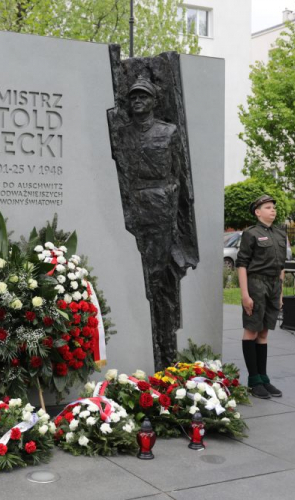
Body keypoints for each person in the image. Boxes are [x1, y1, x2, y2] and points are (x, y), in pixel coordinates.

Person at [109, 75, 198, 371]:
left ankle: (166, 350)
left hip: (162, 209)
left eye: (143, 97)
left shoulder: (169, 131)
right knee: (143, 278)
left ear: (154, 101)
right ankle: (153, 350)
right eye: (133, 97)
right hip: (135, 208)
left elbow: (180, 175)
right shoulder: (121, 133)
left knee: (159, 282)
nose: (137, 101)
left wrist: (174, 214)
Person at [236, 195, 287, 399]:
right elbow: (241, 264)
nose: (272, 210)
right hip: (256, 284)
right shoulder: (251, 234)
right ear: (258, 212)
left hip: (274, 285)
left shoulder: (280, 233)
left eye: (274, 207)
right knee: (251, 331)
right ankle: (253, 380)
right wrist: (245, 295)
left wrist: (280, 293)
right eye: (268, 207)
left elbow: (282, 266)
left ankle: (263, 378)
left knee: (264, 333)